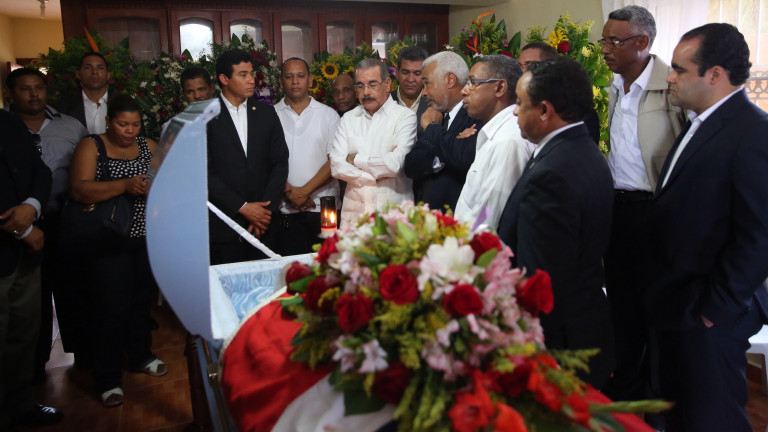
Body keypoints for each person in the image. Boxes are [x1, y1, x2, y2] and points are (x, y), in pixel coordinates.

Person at [646, 23, 768, 432]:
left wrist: (714, 311)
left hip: (707, 313)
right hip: (677, 304)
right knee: (682, 417)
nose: (670, 78)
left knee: (712, 420)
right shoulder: (699, 122)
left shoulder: (753, 132)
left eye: (680, 70)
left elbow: (759, 236)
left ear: (714, 74)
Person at [497, 57, 615, 388]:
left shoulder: (553, 174)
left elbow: (542, 278)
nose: (514, 112)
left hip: (559, 342)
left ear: (545, 110)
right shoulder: (582, 150)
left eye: (520, 103)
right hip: (583, 322)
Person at [597, 6, 687, 412]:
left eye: (614, 42)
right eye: (604, 41)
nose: (605, 49)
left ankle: (656, 398)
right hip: (619, 209)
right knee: (622, 304)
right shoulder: (617, 86)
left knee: (654, 307)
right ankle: (627, 387)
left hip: (654, 209)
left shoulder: (670, 87)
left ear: (643, 43)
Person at [68, 94, 164, 407]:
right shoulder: (92, 145)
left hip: (144, 239)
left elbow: (164, 183)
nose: (130, 130)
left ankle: (141, 355)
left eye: (135, 124)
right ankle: (107, 378)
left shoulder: (149, 146)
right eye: (123, 124)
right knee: (110, 309)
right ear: (109, 121)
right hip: (106, 241)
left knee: (140, 303)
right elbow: (79, 189)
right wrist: (123, 185)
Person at [5, 67, 89, 381]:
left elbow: (86, 166)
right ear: (10, 94)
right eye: (25, 89)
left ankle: (82, 353)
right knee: (33, 300)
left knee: (73, 289)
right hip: (18, 228)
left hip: (65, 218)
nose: (34, 94)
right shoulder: (7, 128)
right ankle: (34, 366)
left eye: (38, 87)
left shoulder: (70, 126)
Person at [0, 110, 62, 431]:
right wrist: (22, 228)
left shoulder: (8, 122)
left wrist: (32, 205)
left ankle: (21, 404)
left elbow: (40, 170)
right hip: (10, 244)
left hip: (25, 255)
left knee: (23, 334)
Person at [206, 49, 289, 264]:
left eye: (252, 73)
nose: (252, 80)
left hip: (265, 225)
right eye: (243, 75)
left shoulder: (265, 113)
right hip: (225, 225)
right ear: (224, 79)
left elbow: (280, 163)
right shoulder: (205, 117)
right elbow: (203, 172)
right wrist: (242, 207)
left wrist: (264, 212)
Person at [330, 59, 416, 228]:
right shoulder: (348, 119)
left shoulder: (405, 117)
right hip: (354, 218)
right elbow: (336, 166)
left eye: (372, 84)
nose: (366, 92)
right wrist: (375, 174)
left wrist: (354, 159)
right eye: (360, 86)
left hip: (393, 218)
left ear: (387, 84)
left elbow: (395, 165)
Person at [453, 55, 534, 229]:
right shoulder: (497, 132)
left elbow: (489, 218)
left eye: (473, 83)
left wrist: (457, 243)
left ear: (500, 87)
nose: (464, 91)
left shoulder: (507, 140)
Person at [274, 58, 340, 255]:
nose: (295, 81)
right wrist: (290, 193)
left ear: (310, 80)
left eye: (300, 76)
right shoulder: (270, 115)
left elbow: (335, 161)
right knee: (290, 269)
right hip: (284, 209)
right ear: (281, 82)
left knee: (326, 268)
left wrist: (303, 192)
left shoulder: (329, 115)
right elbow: (264, 162)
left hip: (323, 209)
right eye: (289, 76)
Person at [403, 51, 483, 212]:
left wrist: (432, 127)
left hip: (459, 218)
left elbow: (464, 159)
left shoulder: (476, 116)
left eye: (427, 84)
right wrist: (450, 146)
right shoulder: (438, 116)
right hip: (429, 217)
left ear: (450, 80)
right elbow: (410, 165)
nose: (424, 92)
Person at [518, 42, 601, 144]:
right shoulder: (520, 104)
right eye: (520, 66)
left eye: (530, 65)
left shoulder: (575, 110)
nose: (522, 71)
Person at [57, 52, 111, 134]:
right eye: (88, 67)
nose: (95, 71)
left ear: (108, 75)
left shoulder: (121, 104)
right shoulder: (65, 107)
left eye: (100, 68)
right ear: (78, 74)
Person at [160, 65, 216, 137]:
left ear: (212, 88)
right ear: (183, 94)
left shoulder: (227, 118)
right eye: (190, 92)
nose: (197, 96)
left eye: (201, 89)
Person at [390, 46, 429, 122]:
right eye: (405, 73)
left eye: (417, 74)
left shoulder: (434, 104)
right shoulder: (384, 102)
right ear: (397, 73)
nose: (410, 79)